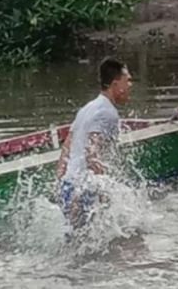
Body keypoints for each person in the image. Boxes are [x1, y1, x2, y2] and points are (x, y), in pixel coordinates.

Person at [55, 58, 133, 229]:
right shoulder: (108, 113)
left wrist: (60, 183)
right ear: (115, 84)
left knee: (74, 242)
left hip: (69, 184)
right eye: (127, 80)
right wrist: (102, 191)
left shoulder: (87, 108)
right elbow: (93, 152)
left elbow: (67, 147)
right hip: (83, 190)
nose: (130, 85)